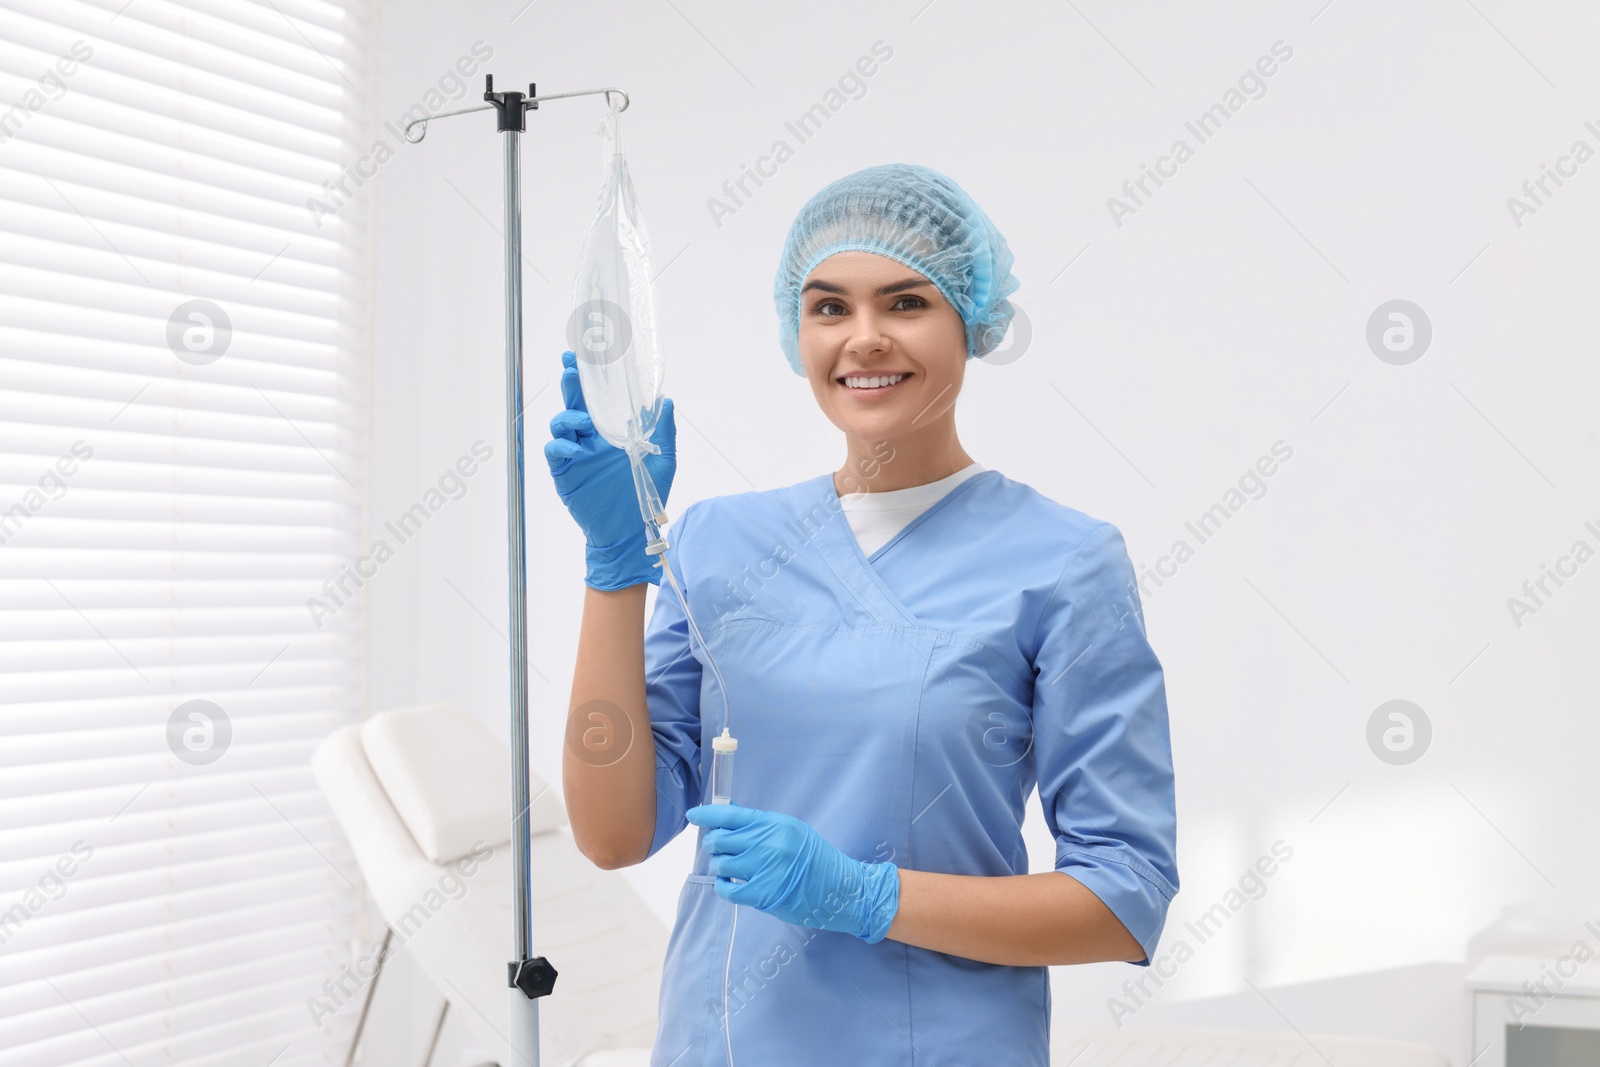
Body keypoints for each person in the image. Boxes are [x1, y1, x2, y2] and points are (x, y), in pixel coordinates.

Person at [545, 163, 1178, 1066]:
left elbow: (1125, 896)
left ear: (973, 320)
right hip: (722, 1040)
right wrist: (616, 567)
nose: (864, 339)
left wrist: (865, 896)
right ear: (795, 330)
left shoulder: (1064, 562)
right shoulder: (718, 540)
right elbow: (613, 833)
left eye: (907, 303)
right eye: (829, 307)